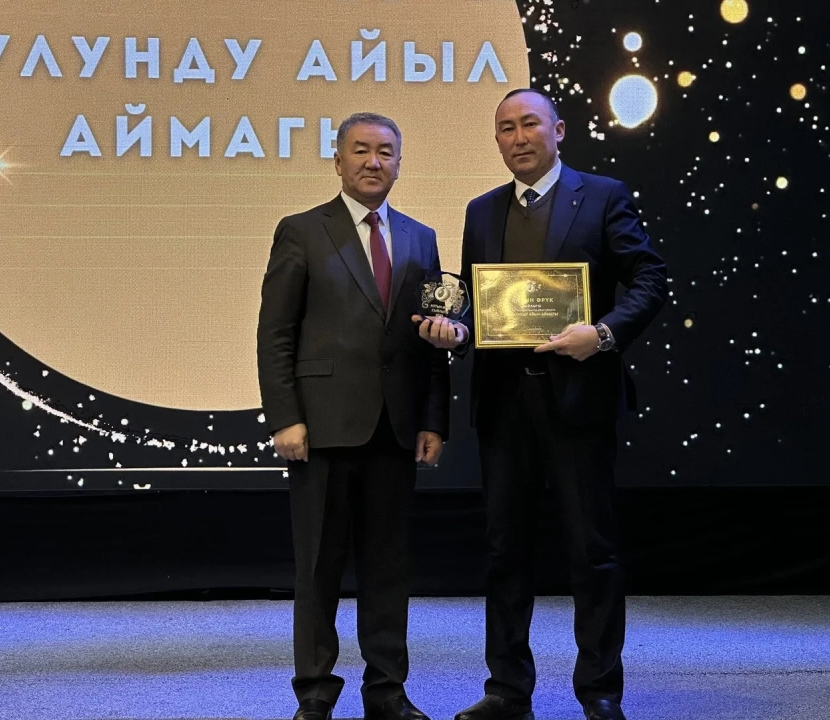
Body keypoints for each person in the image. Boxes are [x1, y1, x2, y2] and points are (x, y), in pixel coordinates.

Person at [412, 89, 668, 720]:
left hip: (578, 399)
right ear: (497, 140)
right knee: (505, 552)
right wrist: (456, 334)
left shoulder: (603, 195)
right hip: (503, 404)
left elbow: (649, 279)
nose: (518, 137)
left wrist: (602, 334)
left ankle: (600, 690)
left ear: (559, 131)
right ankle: (507, 690)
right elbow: (479, 309)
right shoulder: (481, 210)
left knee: (591, 551)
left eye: (530, 124)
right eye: (506, 128)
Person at [258, 112, 450, 720]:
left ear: (399, 163)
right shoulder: (300, 230)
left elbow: (431, 341)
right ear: (337, 161)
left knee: (388, 568)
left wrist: (433, 419)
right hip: (321, 427)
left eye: (385, 152)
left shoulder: (421, 237)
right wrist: (284, 417)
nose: (373, 161)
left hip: (396, 429)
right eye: (361, 150)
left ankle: (386, 691)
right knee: (318, 566)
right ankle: (315, 690)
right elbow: (276, 333)